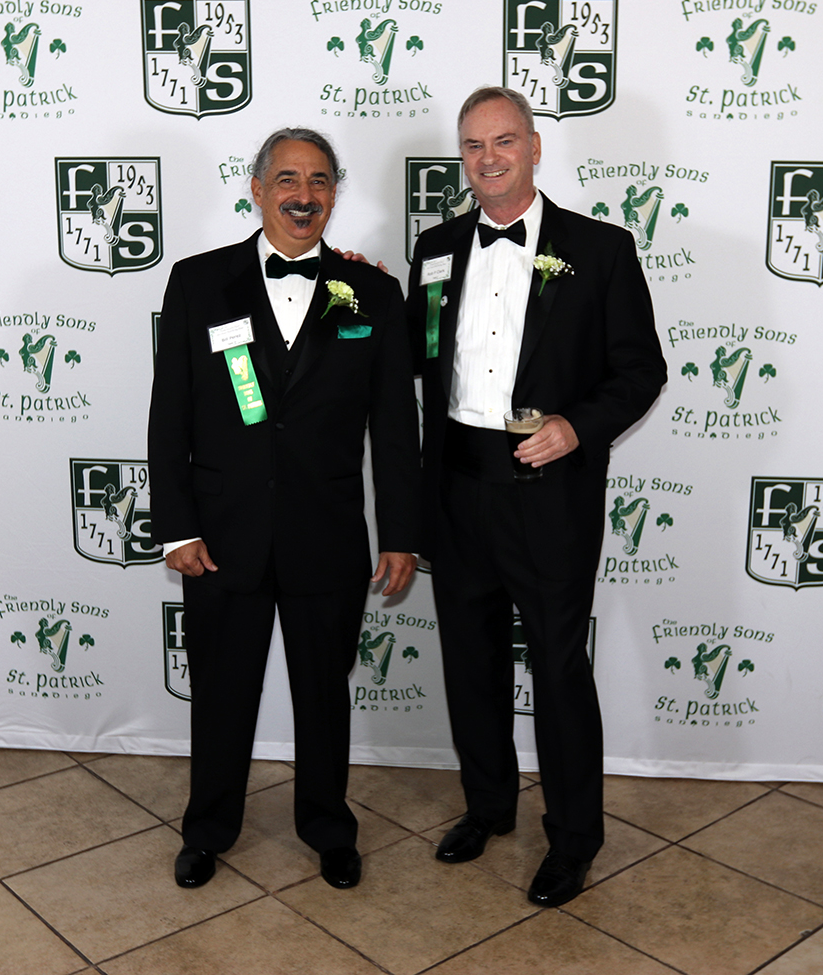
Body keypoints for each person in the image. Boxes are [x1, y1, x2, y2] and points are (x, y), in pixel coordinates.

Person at [406, 87, 666, 907]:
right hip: (457, 482)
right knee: (469, 659)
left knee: (556, 668)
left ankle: (574, 840)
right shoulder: (435, 247)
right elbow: (414, 352)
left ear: (535, 147)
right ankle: (488, 807)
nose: (489, 158)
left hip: (550, 489)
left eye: (505, 141)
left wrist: (575, 427)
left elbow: (641, 369)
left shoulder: (601, 248)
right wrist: (357, 291)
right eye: (474, 145)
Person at [148, 128, 419, 890]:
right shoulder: (198, 282)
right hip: (221, 534)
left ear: (335, 193)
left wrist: (401, 533)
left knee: (324, 696)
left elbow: (396, 428)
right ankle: (208, 829)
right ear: (259, 189)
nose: (305, 196)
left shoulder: (373, 294)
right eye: (290, 180)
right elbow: (170, 413)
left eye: (320, 180)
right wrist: (176, 526)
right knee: (222, 694)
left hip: (327, 534)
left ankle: (329, 828)